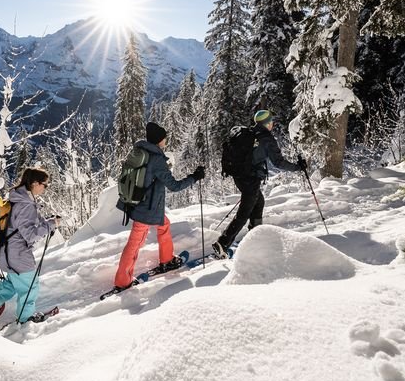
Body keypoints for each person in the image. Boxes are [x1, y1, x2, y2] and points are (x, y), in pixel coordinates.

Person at [113, 122, 205, 289]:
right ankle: (122, 281)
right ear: (159, 140)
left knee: (164, 224)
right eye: (164, 139)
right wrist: (195, 177)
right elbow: (174, 186)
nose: (165, 141)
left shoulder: (141, 152)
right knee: (135, 243)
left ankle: (167, 259)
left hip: (141, 204)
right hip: (146, 210)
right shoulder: (157, 159)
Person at [212, 110, 306, 258]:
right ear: (267, 123)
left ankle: (255, 235)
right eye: (271, 121)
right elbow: (279, 162)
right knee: (245, 212)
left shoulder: (249, 133)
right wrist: (298, 167)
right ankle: (223, 243)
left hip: (239, 177)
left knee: (259, 202)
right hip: (250, 179)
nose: (272, 124)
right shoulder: (266, 138)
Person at [0, 168, 60, 323]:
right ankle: (26, 318)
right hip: (18, 255)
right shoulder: (26, 205)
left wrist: (47, 221)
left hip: (8, 253)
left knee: (15, 281)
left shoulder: (17, 199)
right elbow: (30, 234)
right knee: (30, 287)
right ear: (35, 183)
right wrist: (51, 225)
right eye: (45, 185)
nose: (45, 188)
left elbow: (20, 225)